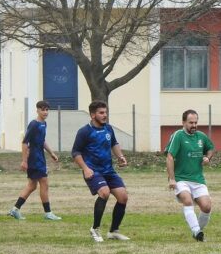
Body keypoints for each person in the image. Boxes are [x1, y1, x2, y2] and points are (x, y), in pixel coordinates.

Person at [71, 101, 130, 242]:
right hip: (93, 170)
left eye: (106, 112)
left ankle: (114, 231)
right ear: (92, 115)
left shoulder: (108, 129)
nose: (105, 115)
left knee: (123, 196)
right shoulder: (84, 132)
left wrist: (120, 157)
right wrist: (85, 168)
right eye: (101, 113)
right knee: (104, 192)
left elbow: (114, 144)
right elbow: (75, 153)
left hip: (108, 170)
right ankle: (95, 229)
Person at [164, 109, 215, 242]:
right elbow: (169, 157)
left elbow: (210, 148)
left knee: (207, 206)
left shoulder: (201, 136)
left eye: (195, 122)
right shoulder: (178, 136)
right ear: (183, 122)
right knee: (187, 200)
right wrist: (172, 179)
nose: (194, 125)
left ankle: (197, 232)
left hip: (198, 179)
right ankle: (196, 231)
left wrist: (208, 158)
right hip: (181, 179)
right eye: (191, 122)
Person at [9, 100, 61, 221]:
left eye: (47, 109)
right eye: (43, 109)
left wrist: (51, 153)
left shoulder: (44, 124)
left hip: (40, 158)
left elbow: (42, 141)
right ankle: (48, 213)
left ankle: (15, 209)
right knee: (44, 183)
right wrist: (24, 161)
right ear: (37, 110)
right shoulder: (34, 124)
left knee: (32, 186)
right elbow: (25, 142)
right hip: (34, 159)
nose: (45, 112)